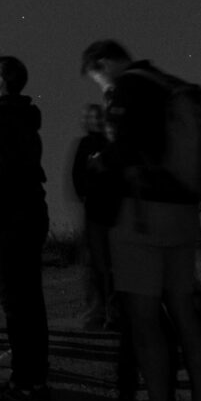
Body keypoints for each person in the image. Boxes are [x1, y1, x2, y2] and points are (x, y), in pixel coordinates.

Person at [80, 39, 201, 401]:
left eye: (96, 77)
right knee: (185, 314)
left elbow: (123, 150)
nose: (100, 86)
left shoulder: (127, 87)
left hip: (143, 216)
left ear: (103, 62)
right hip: (183, 212)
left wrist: (99, 161)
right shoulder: (166, 81)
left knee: (144, 322)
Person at [0, 55, 51, 401]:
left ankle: (24, 386)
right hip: (32, 211)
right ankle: (35, 378)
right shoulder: (25, 116)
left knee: (15, 303)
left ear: (2, 80)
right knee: (30, 300)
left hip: (8, 217)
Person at [70, 104, 117, 330]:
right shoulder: (87, 145)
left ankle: (109, 311)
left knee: (107, 265)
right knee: (97, 265)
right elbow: (77, 178)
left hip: (108, 212)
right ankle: (100, 310)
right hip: (98, 212)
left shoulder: (108, 144)